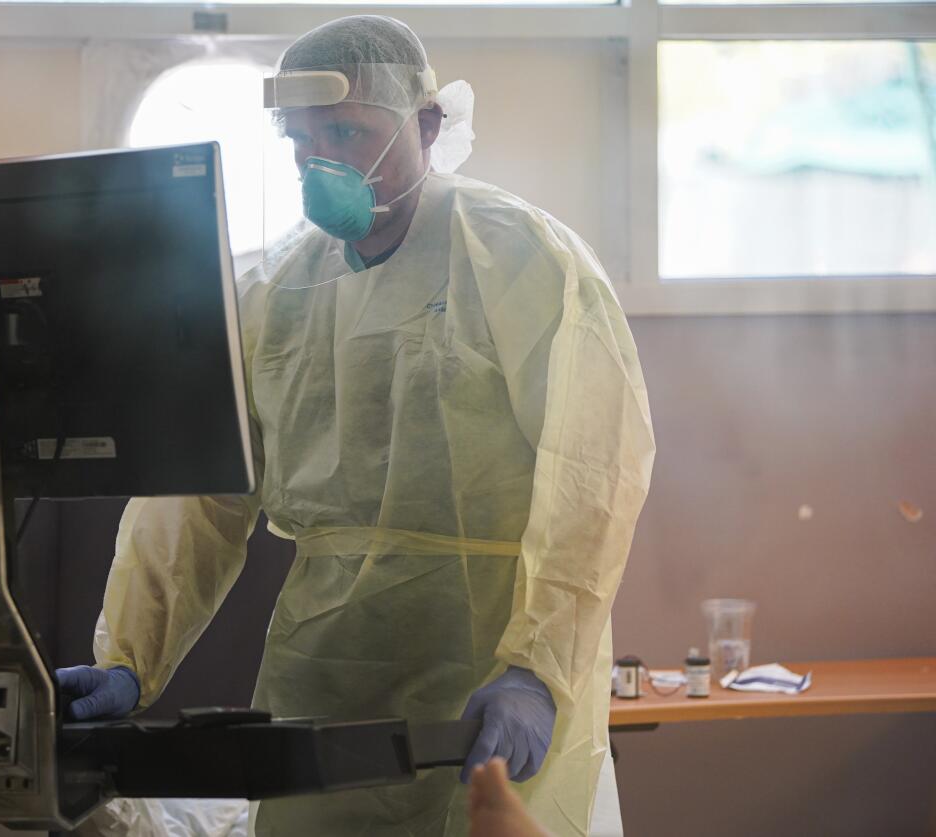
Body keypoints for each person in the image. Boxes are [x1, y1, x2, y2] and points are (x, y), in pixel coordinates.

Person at [58, 14, 655, 836]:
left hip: (487, 674)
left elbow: (595, 474)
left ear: (428, 124)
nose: (321, 159)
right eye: (301, 140)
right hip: (326, 675)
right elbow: (202, 495)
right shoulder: (276, 291)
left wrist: (538, 670)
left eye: (346, 130)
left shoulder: (520, 257)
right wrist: (128, 656)